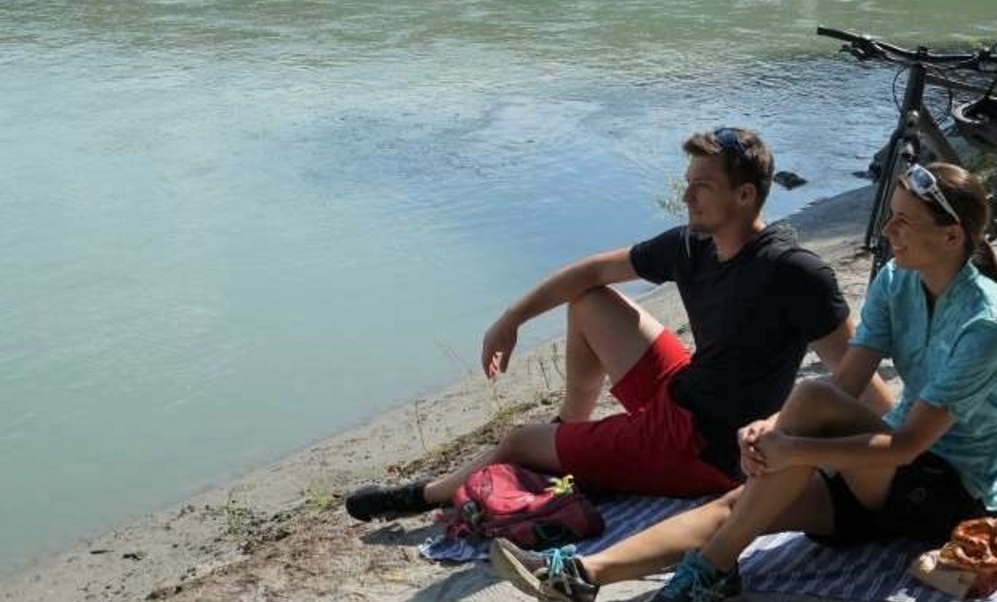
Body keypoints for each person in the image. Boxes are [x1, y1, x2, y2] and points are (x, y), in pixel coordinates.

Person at [491, 161, 997, 602]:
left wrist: (795, 446)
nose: (887, 230)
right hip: (885, 480)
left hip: (947, 491)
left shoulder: (986, 325)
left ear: (951, 236)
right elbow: (848, 385)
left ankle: (713, 571)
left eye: (903, 221)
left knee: (806, 406)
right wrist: (773, 428)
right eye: (891, 215)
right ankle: (584, 574)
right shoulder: (896, 280)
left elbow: (908, 444)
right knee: (744, 503)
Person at [345, 127, 889, 525]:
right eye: (688, 183)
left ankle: (421, 496)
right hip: (685, 392)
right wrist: (511, 319)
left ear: (745, 196)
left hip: (704, 448)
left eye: (701, 186)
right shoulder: (693, 245)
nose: (687, 196)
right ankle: (570, 430)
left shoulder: (794, 273)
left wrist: (904, 451)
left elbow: (857, 375)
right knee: (589, 302)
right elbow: (591, 272)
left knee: (517, 440)